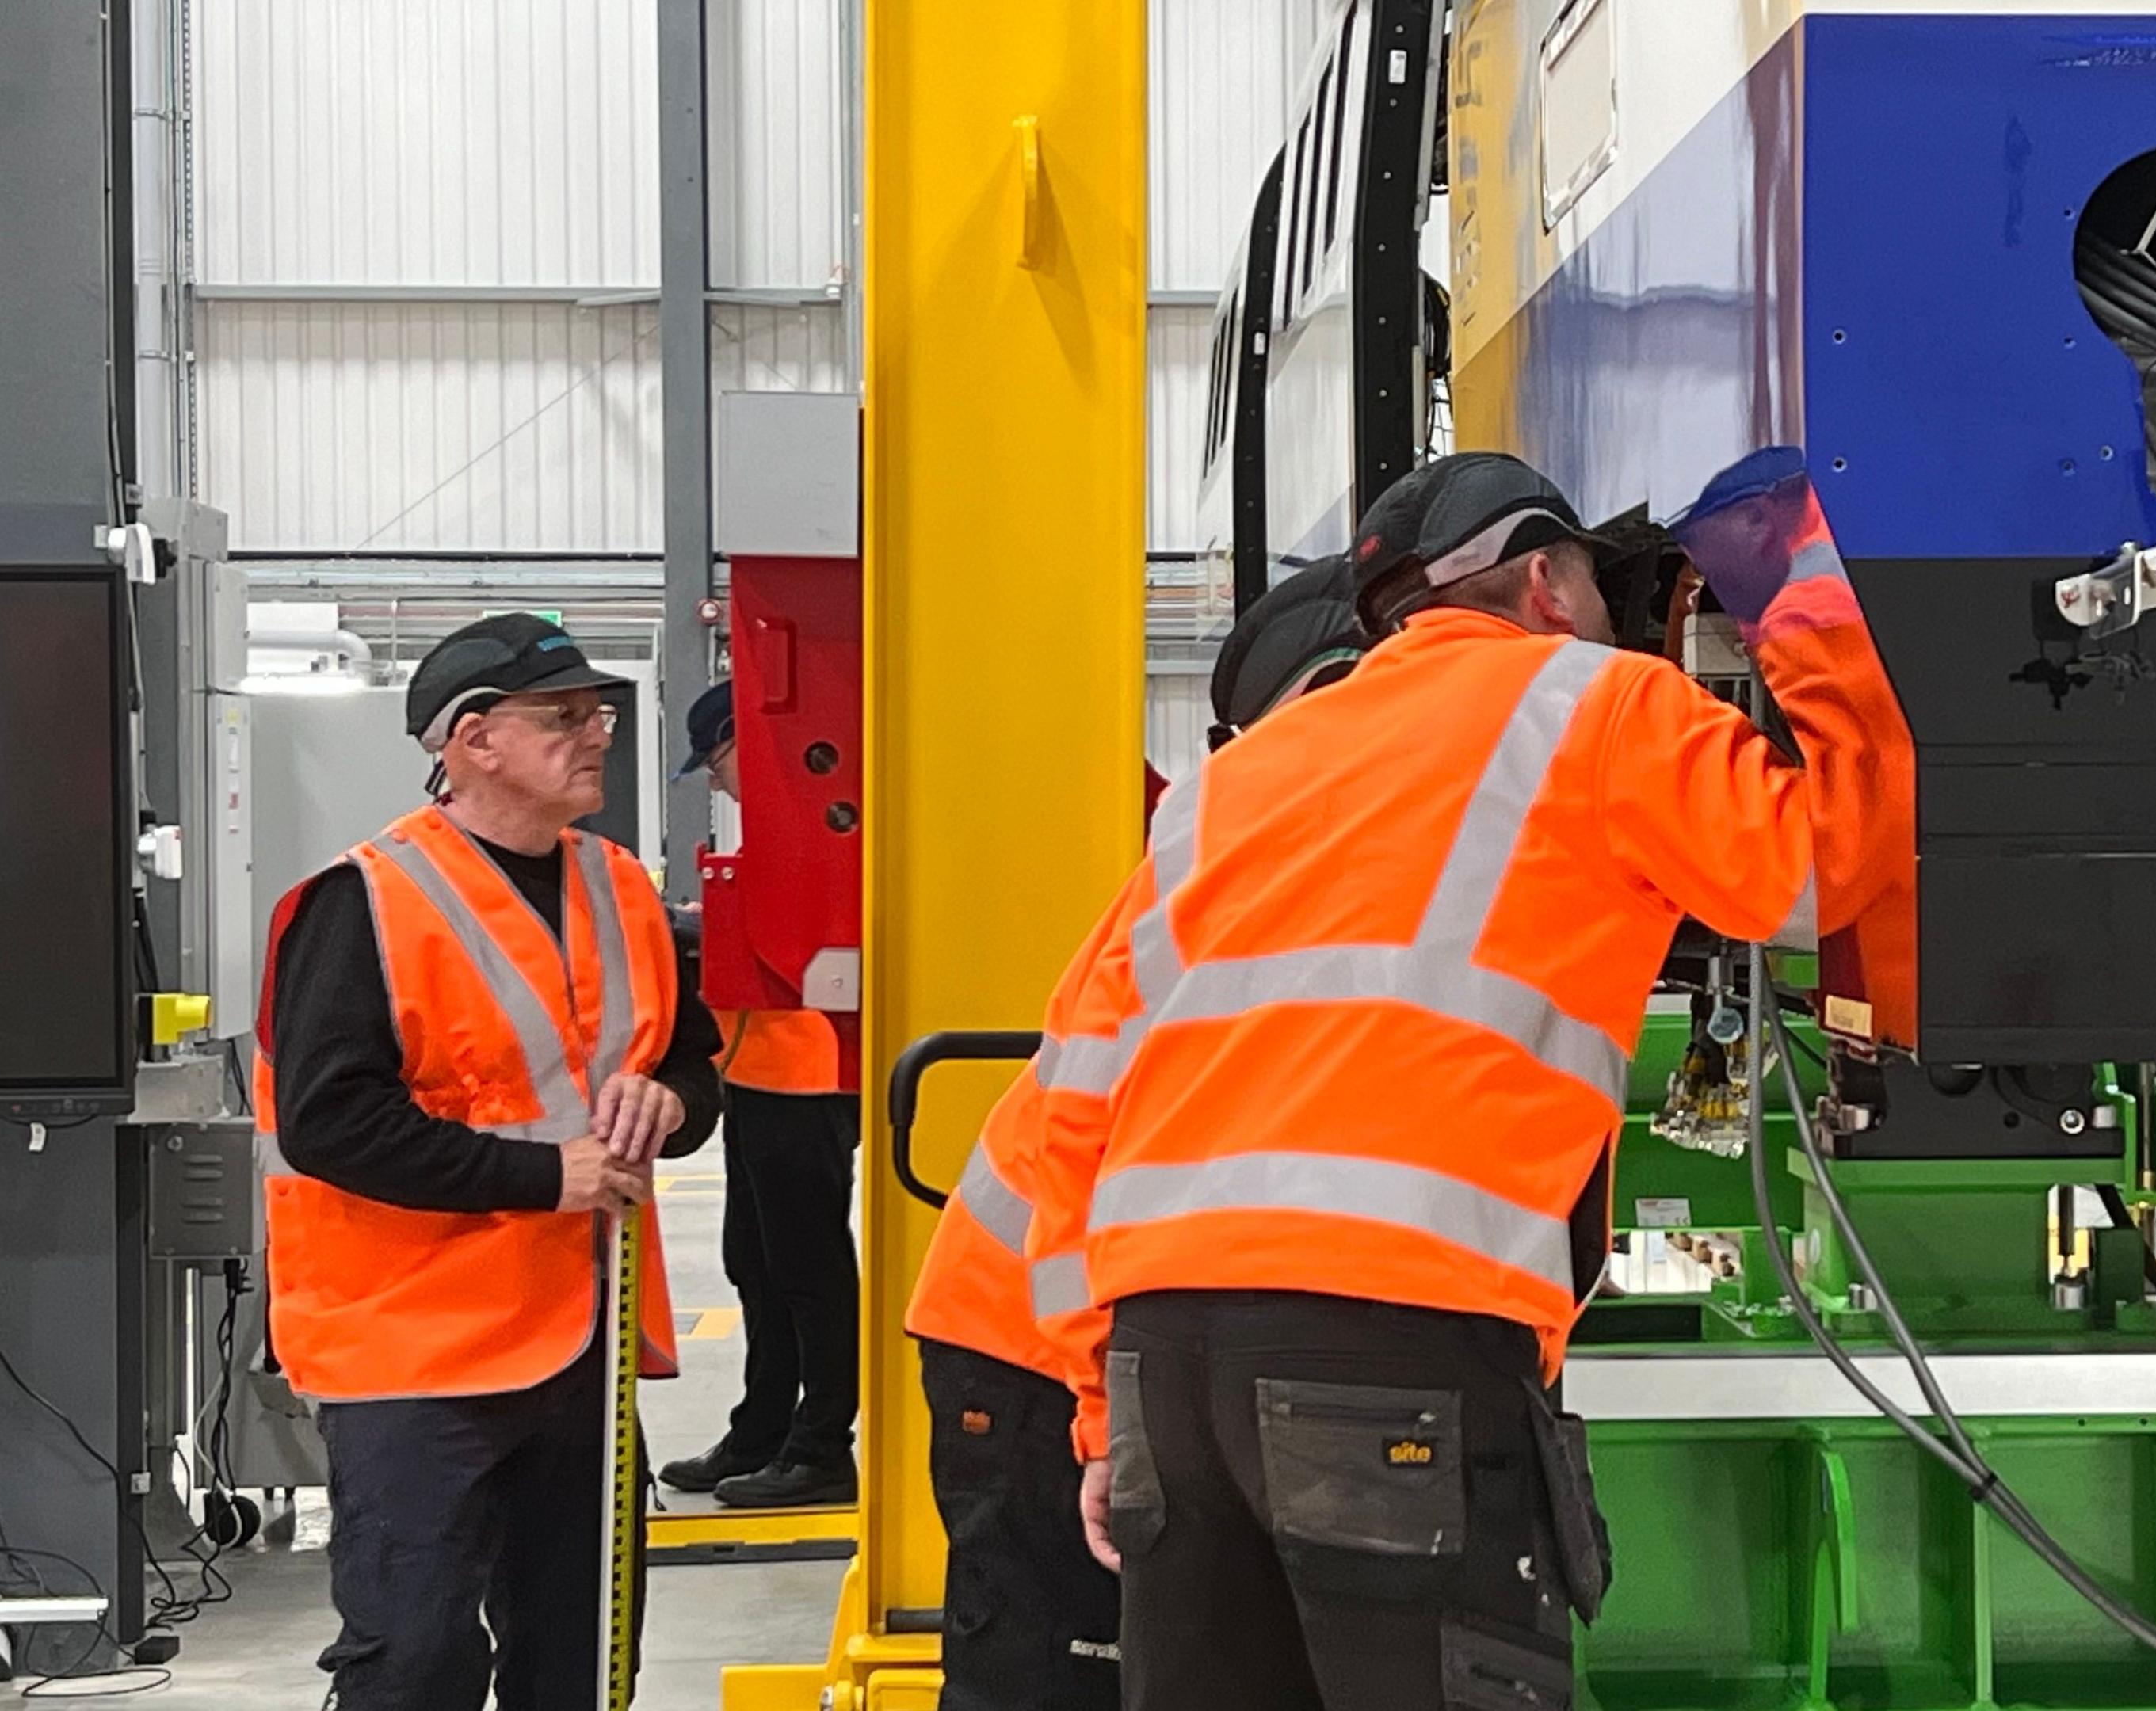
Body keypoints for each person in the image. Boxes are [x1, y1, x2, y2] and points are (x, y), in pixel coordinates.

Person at [1026, 450, 1914, 1709]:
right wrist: (1803, 607)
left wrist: (1093, 1410)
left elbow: (1078, 1111)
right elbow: (1821, 873)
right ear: (1549, 584)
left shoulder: (1225, 788)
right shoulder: (1595, 704)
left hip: (1164, 1371)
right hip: (1395, 1342)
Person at [899, 556, 1371, 1711]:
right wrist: (1102, 1415)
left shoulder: (1314, 873)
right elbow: (1080, 1155)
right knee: (1055, 1675)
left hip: (1123, 1343)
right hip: (1036, 1350)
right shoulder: (1231, 882)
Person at [256, 613, 726, 1711]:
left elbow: (692, 1070)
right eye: (561, 717)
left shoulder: (622, 890)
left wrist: (672, 1100)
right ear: (472, 742)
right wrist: (538, 1177)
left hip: (580, 1340)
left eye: (597, 715)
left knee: (583, 1658)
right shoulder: (362, 901)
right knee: (417, 1662)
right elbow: (328, 1122)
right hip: (415, 1350)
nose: (594, 735)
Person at [658, 680, 863, 1510]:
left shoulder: (825, 821)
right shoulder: (780, 827)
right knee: (753, 1258)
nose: (718, 783)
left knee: (807, 1265)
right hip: (755, 1070)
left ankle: (822, 1445)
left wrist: (693, 925)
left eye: (718, 762)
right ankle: (763, 1428)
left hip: (807, 1070)